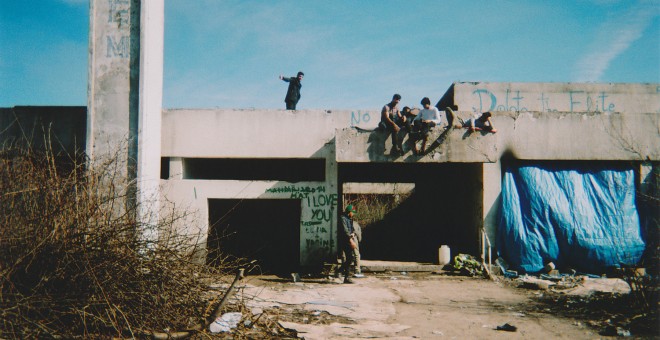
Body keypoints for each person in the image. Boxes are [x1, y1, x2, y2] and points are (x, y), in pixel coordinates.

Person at [338, 204, 358, 284]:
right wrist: (351, 241)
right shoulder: (343, 218)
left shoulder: (349, 219)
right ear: (349, 212)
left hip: (349, 239)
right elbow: (345, 231)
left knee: (350, 258)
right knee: (350, 258)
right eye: (352, 212)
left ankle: (345, 276)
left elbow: (351, 229)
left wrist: (353, 233)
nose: (353, 214)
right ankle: (340, 271)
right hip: (344, 240)